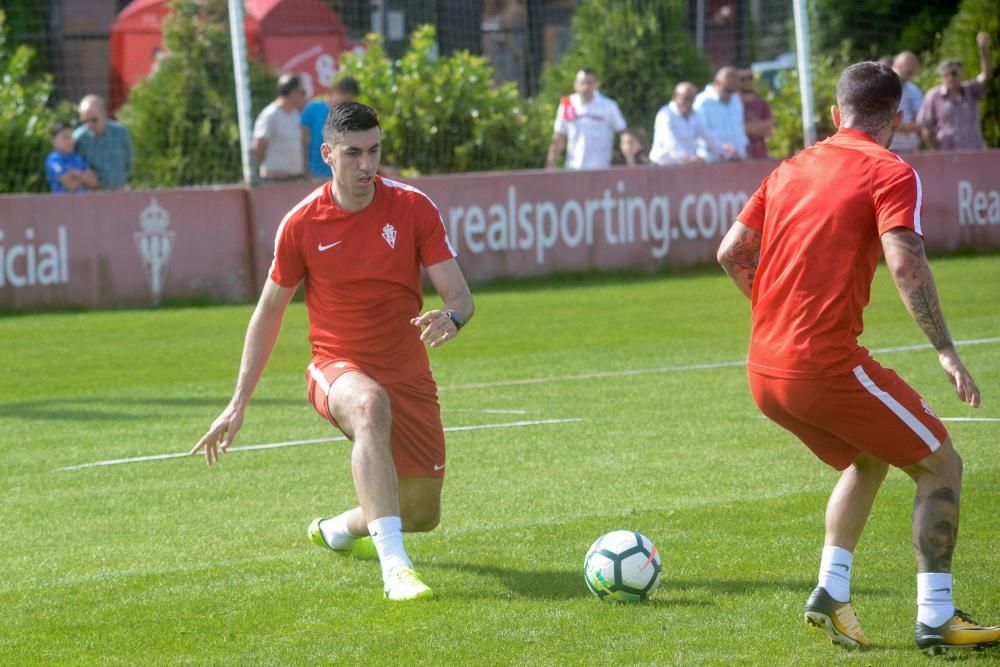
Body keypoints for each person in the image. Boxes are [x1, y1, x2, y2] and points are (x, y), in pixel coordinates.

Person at [717, 61, 1000, 655]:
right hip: (822, 367)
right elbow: (905, 262)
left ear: (833, 114)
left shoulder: (791, 166)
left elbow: (731, 252)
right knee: (940, 463)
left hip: (763, 372)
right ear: (897, 119)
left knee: (868, 459)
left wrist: (771, 308)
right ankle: (937, 618)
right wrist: (946, 349)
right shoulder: (890, 168)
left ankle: (830, 591)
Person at [192, 102, 474, 602]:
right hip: (336, 368)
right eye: (353, 154)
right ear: (328, 154)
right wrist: (238, 404)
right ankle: (396, 571)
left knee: (422, 513)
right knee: (369, 406)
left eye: (375, 151)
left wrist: (450, 318)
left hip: (407, 370)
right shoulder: (301, 223)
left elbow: (460, 296)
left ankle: (338, 530)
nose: (367, 165)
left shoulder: (413, 207)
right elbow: (268, 314)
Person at [918, 32, 994, 151]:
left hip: (973, 154)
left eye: (954, 73)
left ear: (961, 74)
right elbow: (925, 126)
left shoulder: (971, 90)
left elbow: (987, 74)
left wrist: (983, 50)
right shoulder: (933, 96)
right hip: (946, 156)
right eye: (946, 74)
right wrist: (937, 150)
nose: (950, 77)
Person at [545, 68, 627, 170]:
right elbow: (559, 135)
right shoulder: (568, 104)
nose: (585, 87)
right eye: (582, 83)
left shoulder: (609, 106)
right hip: (574, 167)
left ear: (597, 84)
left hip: (601, 167)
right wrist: (551, 162)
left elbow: (623, 132)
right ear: (575, 84)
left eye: (590, 83)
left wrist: (629, 158)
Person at [649, 81, 721, 165]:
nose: (689, 103)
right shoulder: (665, 115)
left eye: (692, 99)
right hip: (662, 167)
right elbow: (670, 142)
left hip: (685, 167)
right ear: (675, 97)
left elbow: (709, 137)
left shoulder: (696, 115)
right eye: (686, 98)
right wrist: (690, 158)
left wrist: (725, 154)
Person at [301, 76, 360, 178]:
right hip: (313, 172)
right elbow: (302, 141)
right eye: (345, 99)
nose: (347, 104)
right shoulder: (313, 107)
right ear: (335, 91)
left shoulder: (351, 113)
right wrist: (305, 168)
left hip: (340, 174)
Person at [253, 73, 308, 181]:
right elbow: (258, 147)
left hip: (295, 180)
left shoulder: (295, 115)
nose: (304, 96)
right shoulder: (270, 115)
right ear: (292, 92)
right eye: (302, 92)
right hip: (274, 180)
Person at [73, 94, 133, 189]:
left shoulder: (121, 132)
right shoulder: (78, 138)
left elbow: (128, 161)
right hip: (93, 195)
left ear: (104, 114)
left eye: (94, 120)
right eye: (84, 121)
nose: (89, 124)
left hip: (120, 190)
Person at [693, 66, 748, 162]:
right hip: (711, 162)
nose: (731, 94)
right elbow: (700, 135)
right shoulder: (702, 102)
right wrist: (723, 149)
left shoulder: (736, 99)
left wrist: (742, 151)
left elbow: (739, 130)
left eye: (734, 91)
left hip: (737, 161)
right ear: (717, 83)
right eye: (728, 90)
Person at [45, 121, 99, 193]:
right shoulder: (54, 160)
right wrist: (84, 176)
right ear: (53, 140)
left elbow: (94, 182)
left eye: (71, 137)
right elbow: (70, 185)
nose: (69, 141)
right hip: (62, 203)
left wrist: (75, 174)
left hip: (82, 202)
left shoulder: (76, 158)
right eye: (65, 137)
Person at [889, 51, 925, 154]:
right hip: (888, 148)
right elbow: (881, 121)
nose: (911, 77)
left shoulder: (914, 90)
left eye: (913, 73)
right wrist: (909, 127)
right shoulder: (881, 87)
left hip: (909, 149)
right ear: (896, 66)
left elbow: (921, 119)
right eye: (908, 72)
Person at [737, 67, 773, 159]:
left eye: (750, 78)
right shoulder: (733, 105)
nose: (747, 82)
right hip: (740, 156)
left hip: (760, 155)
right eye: (742, 79)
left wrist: (746, 128)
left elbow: (769, 129)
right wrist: (759, 126)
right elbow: (735, 129)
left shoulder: (762, 103)